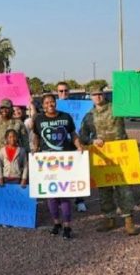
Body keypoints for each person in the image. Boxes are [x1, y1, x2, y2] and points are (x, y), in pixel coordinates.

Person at [79, 83, 138, 236]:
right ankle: (109, 218)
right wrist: (92, 141)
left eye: (100, 94)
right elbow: (82, 136)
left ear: (104, 94)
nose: (97, 97)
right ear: (90, 97)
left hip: (121, 155)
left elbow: (137, 103)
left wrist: (137, 77)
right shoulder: (89, 116)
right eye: (94, 95)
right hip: (103, 157)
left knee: (124, 188)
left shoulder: (117, 108)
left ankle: (128, 219)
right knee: (104, 190)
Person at [31, 93, 85, 240]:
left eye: (52, 102)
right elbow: (36, 136)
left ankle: (67, 226)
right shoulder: (39, 119)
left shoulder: (65, 117)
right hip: (46, 162)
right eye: (46, 102)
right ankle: (56, 223)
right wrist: (35, 148)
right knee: (51, 196)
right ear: (43, 105)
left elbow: (73, 134)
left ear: (55, 103)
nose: (50, 104)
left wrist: (79, 146)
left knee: (64, 195)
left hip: (64, 161)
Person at [56, 81, 87, 213]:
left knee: (77, 172)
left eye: (66, 90)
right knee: (58, 173)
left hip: (74, 142)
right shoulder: (53, 106)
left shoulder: (77, 105)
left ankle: (80, 200)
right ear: (57, 92)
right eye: (61, 91)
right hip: (59, 144)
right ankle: (60, 200)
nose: (64, 93)